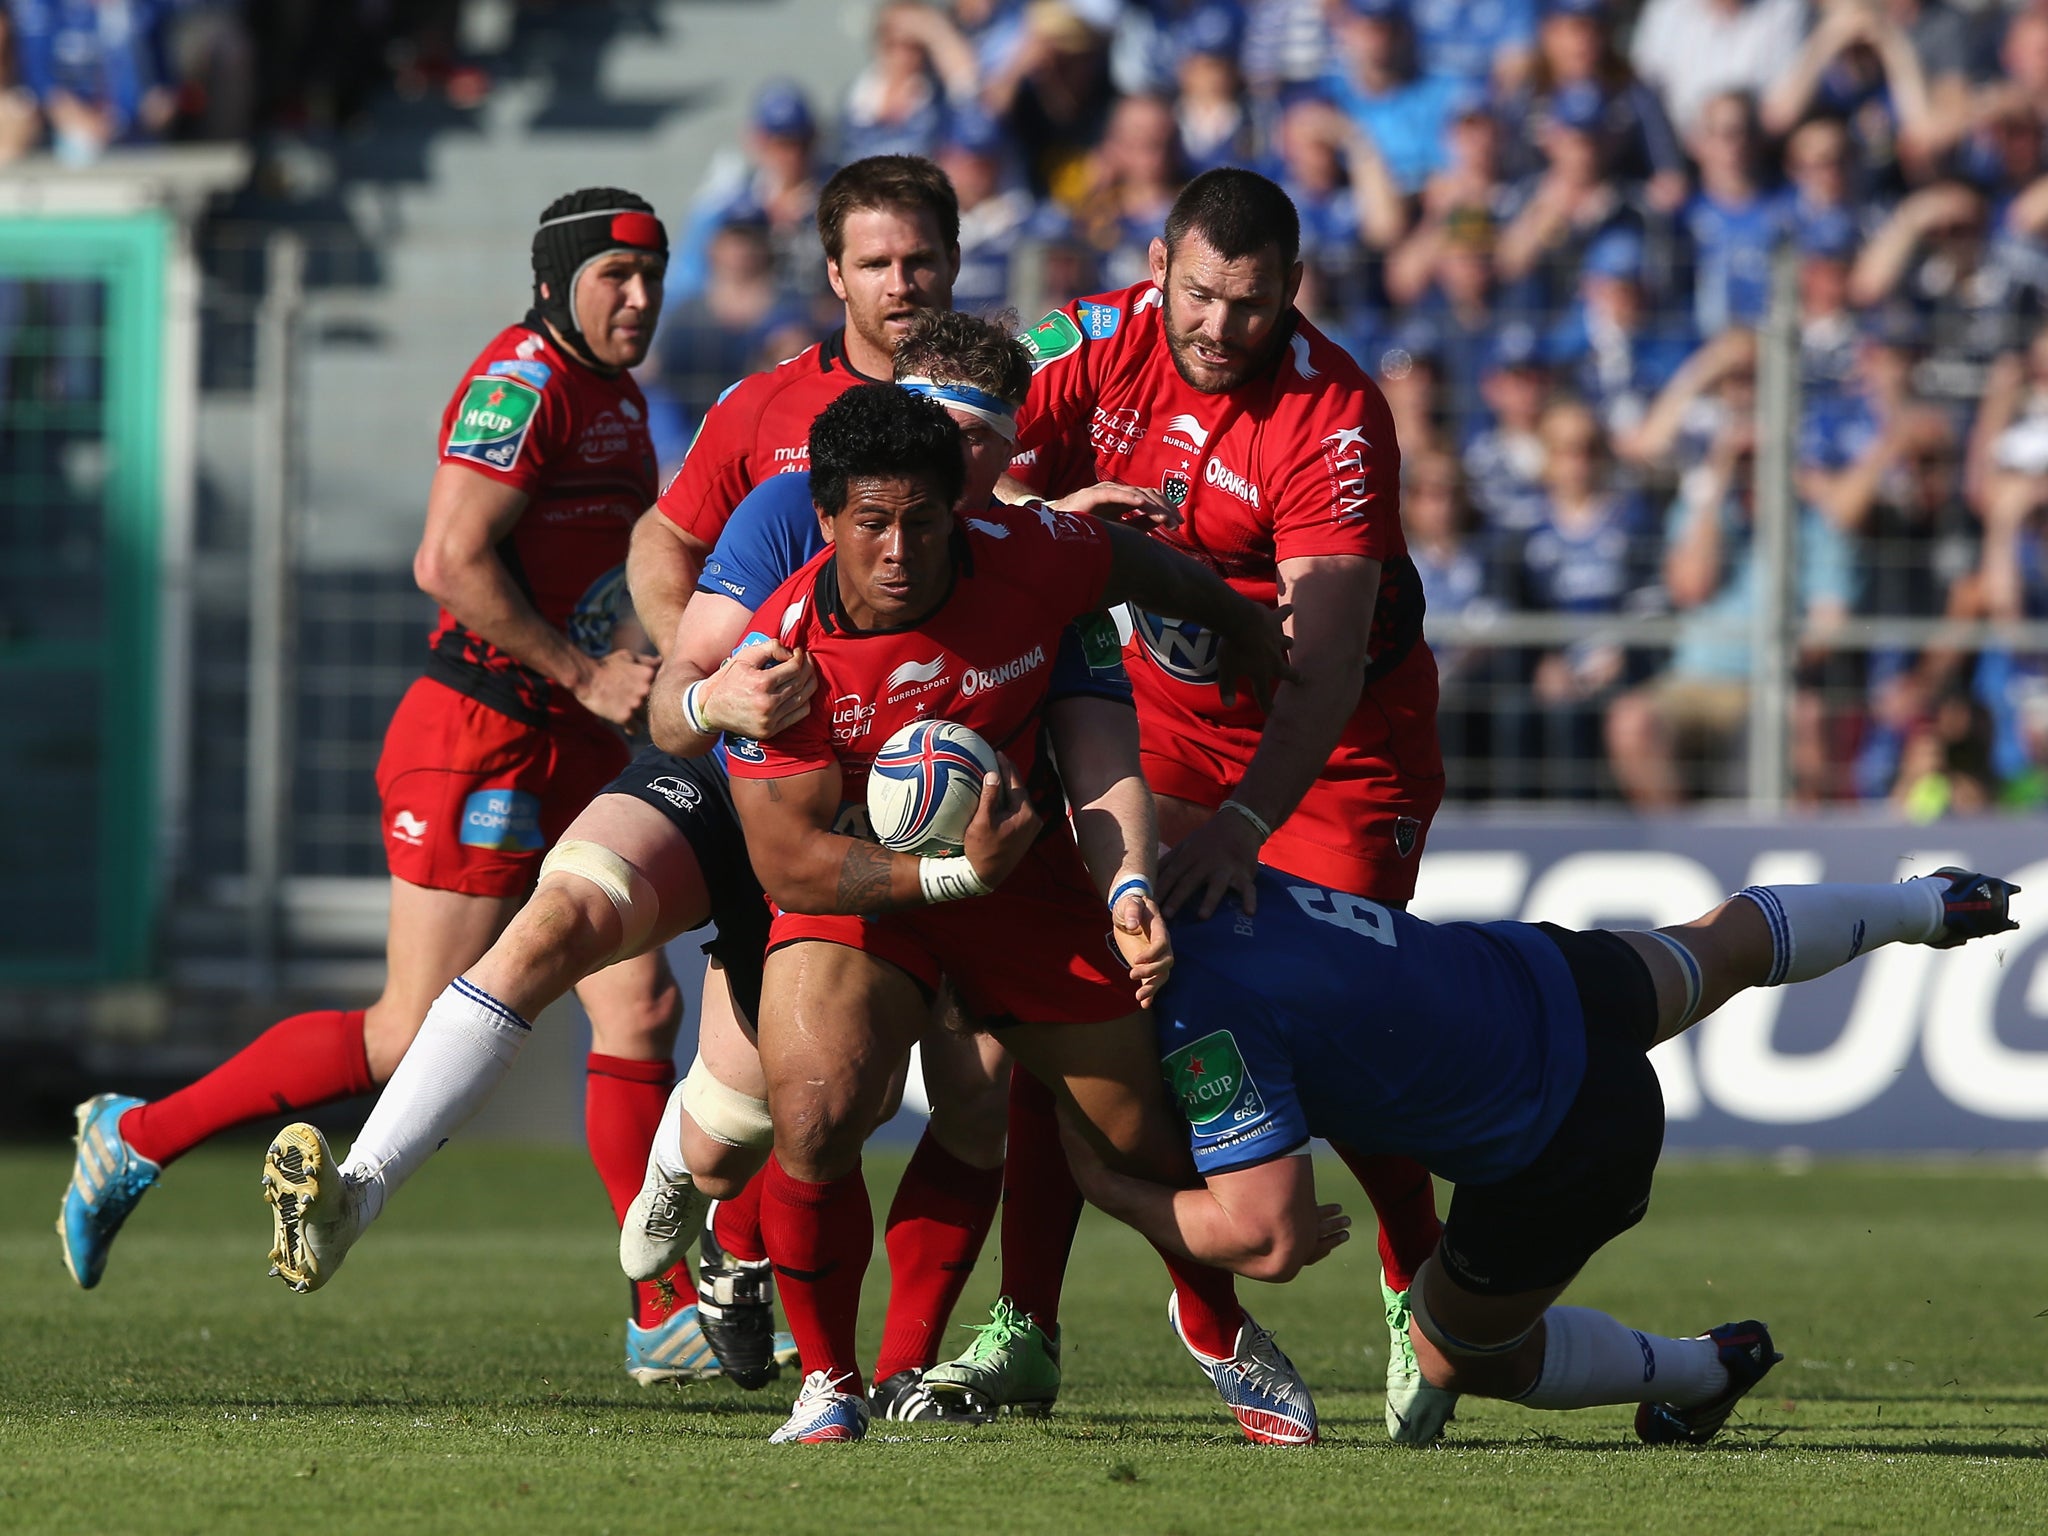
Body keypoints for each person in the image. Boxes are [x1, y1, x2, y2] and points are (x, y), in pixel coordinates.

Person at [259, 312, 1161, 1424]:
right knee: (562, 922)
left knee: (823, 1114)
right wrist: (714, 697)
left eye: (986, 435)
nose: (964, 452)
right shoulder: (795, 486)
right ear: (842, 285)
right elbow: (678, 692)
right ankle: (359, 1192)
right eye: (878, 262)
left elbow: (1104, 592)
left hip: (875, 849)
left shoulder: (1009, 539)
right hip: (741, 800)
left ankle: (793, 1275)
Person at [60, 191, 695, 1371]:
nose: (640, 299)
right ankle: (136, 1135)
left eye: (651, 277)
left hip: (573, 739)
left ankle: (659, 1314)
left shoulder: (610, 391)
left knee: (641, 1006)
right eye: (615, 276)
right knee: (413, 1037)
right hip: (482, 733)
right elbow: (445, 560)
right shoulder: (526, 381)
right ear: (558, 281)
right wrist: (581, 669)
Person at [718, 383, 1309, 1445]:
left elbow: (1134, 565)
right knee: (810, 1112)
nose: (898, 549)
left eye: (922, 520)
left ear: (959, 512)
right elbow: (792, 863)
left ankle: (1215, 1327)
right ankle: (829, 1384)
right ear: (824, 520)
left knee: (1137, 1140)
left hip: (1024, 872)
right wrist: (952, 879)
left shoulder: (1030, 549)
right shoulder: (781, 653)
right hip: (866, 887)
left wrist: (1234, 619)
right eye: (870, 524)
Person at [979, 164, 1455, 1445]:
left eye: (1248, 305)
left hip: (1331, 762)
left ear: (1289, 294)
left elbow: (1323, 663)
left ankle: (1422, 1295)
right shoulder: (1087, 344)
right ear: (1154, 263)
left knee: (1338, 1029)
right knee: (1073, 998)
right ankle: (1026, 1323)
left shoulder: (1334, 416)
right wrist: (1052, 519)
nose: (1216, 327)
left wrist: (1247, 826)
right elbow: (957, 474)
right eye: (1197, 294)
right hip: (1156, 736)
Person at [1069, 861, 2021, 1443]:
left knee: (1463, 1359)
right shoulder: (1192, 868)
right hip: (1534, 973)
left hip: (1565, 1137)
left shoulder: (1198, 1009)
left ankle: (1707, 1370)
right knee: (1716, 949)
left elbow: (1269, 1242)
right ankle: (1934, 903)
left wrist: (1105, 1183)